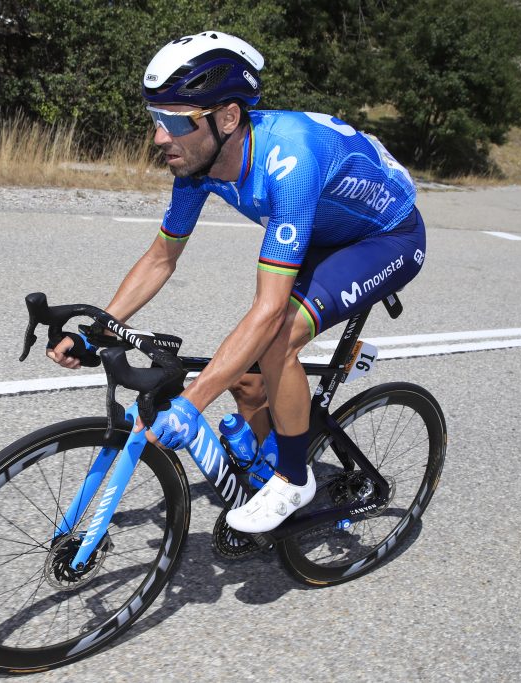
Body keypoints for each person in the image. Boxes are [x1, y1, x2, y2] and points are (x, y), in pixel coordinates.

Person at [47, 31, 426, 534]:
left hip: (387, 237)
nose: (160, 137)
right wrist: (100, 328)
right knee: (246, 378)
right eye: (156, 119)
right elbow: (161, 258)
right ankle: (276, 449)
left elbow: (269, 311)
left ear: (227, 117)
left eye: (177, 121)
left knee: (276, 338)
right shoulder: (197, 164)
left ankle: (294, 479)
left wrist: (193, 403)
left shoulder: (289, 160)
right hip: (322, 230)